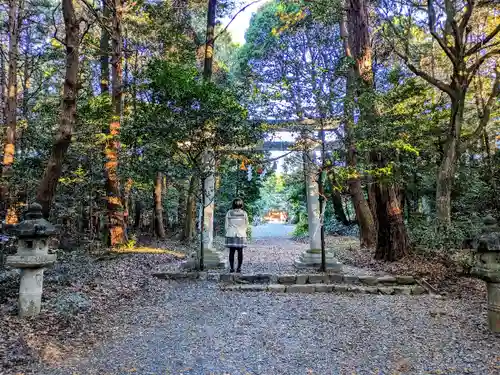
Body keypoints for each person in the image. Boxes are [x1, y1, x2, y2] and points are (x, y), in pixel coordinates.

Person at [225, 198, 249, 273]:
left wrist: (228, 231)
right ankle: (239, 268)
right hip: (241, 234)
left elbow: (226, 224)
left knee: (231, 252)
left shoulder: (229, 212)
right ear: (241, 205)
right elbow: (246, 224)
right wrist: (243, 231)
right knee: (240, 251)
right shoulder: (244, 213)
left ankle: (232, 268)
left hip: (231, 234)